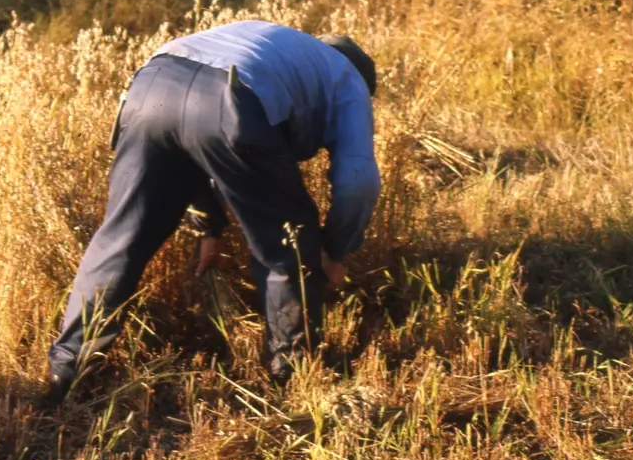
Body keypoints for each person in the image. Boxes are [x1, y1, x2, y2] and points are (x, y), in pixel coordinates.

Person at [41, 20, 380, 407]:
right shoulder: (348, 79)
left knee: (121, 238)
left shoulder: (279, 48)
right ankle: (291, 376)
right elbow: (358, 182)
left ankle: (66, 372)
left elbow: (195, 139)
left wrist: (210, 228)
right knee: (286, 246)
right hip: (230, 98)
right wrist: (333, 250)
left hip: (152, 86)